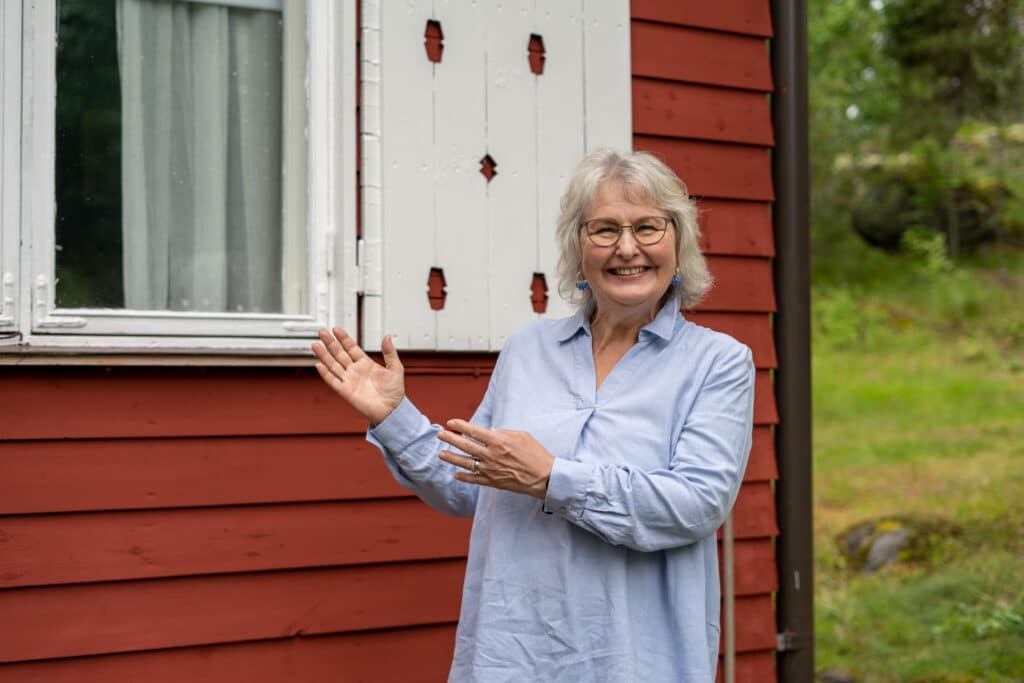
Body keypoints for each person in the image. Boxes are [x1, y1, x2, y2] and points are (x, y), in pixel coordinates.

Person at [311, 149, 755, 682]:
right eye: (604, 229)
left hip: (635, 661)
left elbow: (696, 504)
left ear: (679, 245)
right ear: (578, 249)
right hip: (514, 657)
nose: (627, 248)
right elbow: (470, 487)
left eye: (647, 227)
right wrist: (394, 415)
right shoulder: (527, 350)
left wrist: (551, 478)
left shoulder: (717, 363)